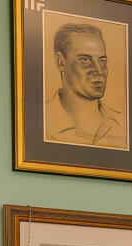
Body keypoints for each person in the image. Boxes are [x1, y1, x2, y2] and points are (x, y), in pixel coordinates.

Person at [44, 19, 126, 150]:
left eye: (102, 61)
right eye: (86, 60)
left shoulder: (123, 124)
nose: (99, 71)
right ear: (60, 62)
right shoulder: (42, 120)